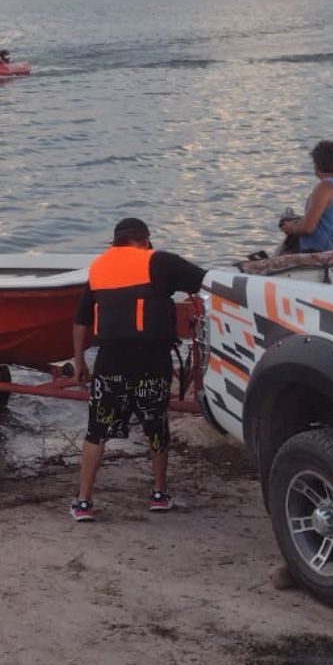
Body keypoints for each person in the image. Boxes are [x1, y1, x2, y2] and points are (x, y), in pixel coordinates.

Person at [70, 218, 205, 522]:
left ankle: (83, 502)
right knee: (155, 427)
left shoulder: (98, 268)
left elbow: (81, 320)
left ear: (115, 242)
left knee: (96, 432)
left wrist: (79, 362)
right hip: (151, 362)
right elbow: (205, 281)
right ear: (145, 240)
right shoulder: (158, 262)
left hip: (110, 364)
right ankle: (158, 494)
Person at [278, 140, 333, 253]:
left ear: (317, 165)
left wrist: (290, 228)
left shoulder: (325, 187)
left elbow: (308, 228)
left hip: (322, 253)